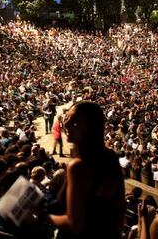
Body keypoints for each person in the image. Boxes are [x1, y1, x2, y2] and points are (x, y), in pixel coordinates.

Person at [49, 101, 125, 239]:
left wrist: (43, 216)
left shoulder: (78, 166)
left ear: (91, 128)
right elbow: (120, 207)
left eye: (76, 122)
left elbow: (74, 224)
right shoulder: (111, 156)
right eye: (67, 118)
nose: (66, 124)